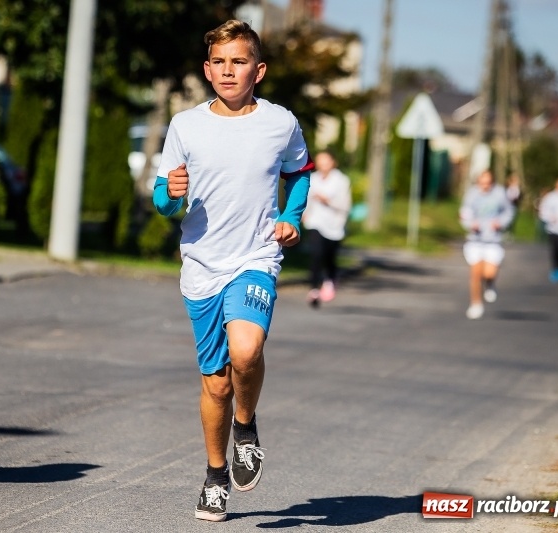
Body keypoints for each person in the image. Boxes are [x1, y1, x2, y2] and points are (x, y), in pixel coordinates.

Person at [152, 19, 314, 522]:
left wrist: (291, 218)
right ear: (207, 70)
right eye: (219, 62)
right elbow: (162, 198)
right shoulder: (185, 126)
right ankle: (215, 475)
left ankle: (246, 426)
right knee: (216, 384)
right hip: (202, 264)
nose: (228, 71)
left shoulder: (280, 123)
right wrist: (169, 194)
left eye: (239, 61)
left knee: (246, 350)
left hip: (255, 257)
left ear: (257, 71)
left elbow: (299, 174)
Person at [459, 170, 514, 320]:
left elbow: (509, 212)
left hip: (493, 240)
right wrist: (470, 223)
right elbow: (465, 212)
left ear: (492, 182)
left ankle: (490, 283)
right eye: (482, 183)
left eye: (488, 183)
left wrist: (500, 223)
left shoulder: (500, 194)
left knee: (489, 273)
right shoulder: (472, 194)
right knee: (475, 274)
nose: (485, 186)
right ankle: (476, 304)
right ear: (478, 182)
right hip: (475, 240)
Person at [302, 150, 351, 307]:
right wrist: (304, 213)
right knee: (316, 253)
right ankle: (314, 288)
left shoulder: (341, 181)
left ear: (333, 162)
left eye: (326, 160)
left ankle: (330, 279)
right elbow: (307, 198)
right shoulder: (313, 179)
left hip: (335, 224)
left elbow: (345, 205)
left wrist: (327, 201)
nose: (323, 164)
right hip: (315, 222)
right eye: (320, 161)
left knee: (329, 256)